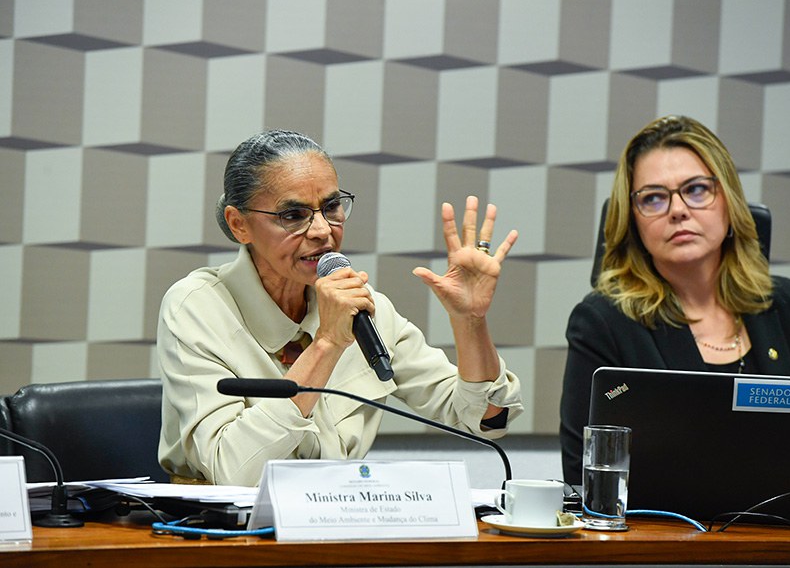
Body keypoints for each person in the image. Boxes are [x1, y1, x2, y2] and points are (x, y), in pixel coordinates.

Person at [157, 129, 523, 486]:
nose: (321, 230)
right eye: (293, 215)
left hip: (337, 515)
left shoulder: (366, 307)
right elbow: (235, 473)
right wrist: (327, 343)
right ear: (239, 225)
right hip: (221, 534)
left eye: (331, 207)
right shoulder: (196, 306)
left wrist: (470, 320)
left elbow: (485, 418)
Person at [559, 115, 790, 493]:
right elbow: (584, 475)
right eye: (653, 197)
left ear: (729, 202)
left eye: (697, 189)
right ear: (632, 222)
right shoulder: (603, 322)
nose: (678, 210)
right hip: (664, 544)